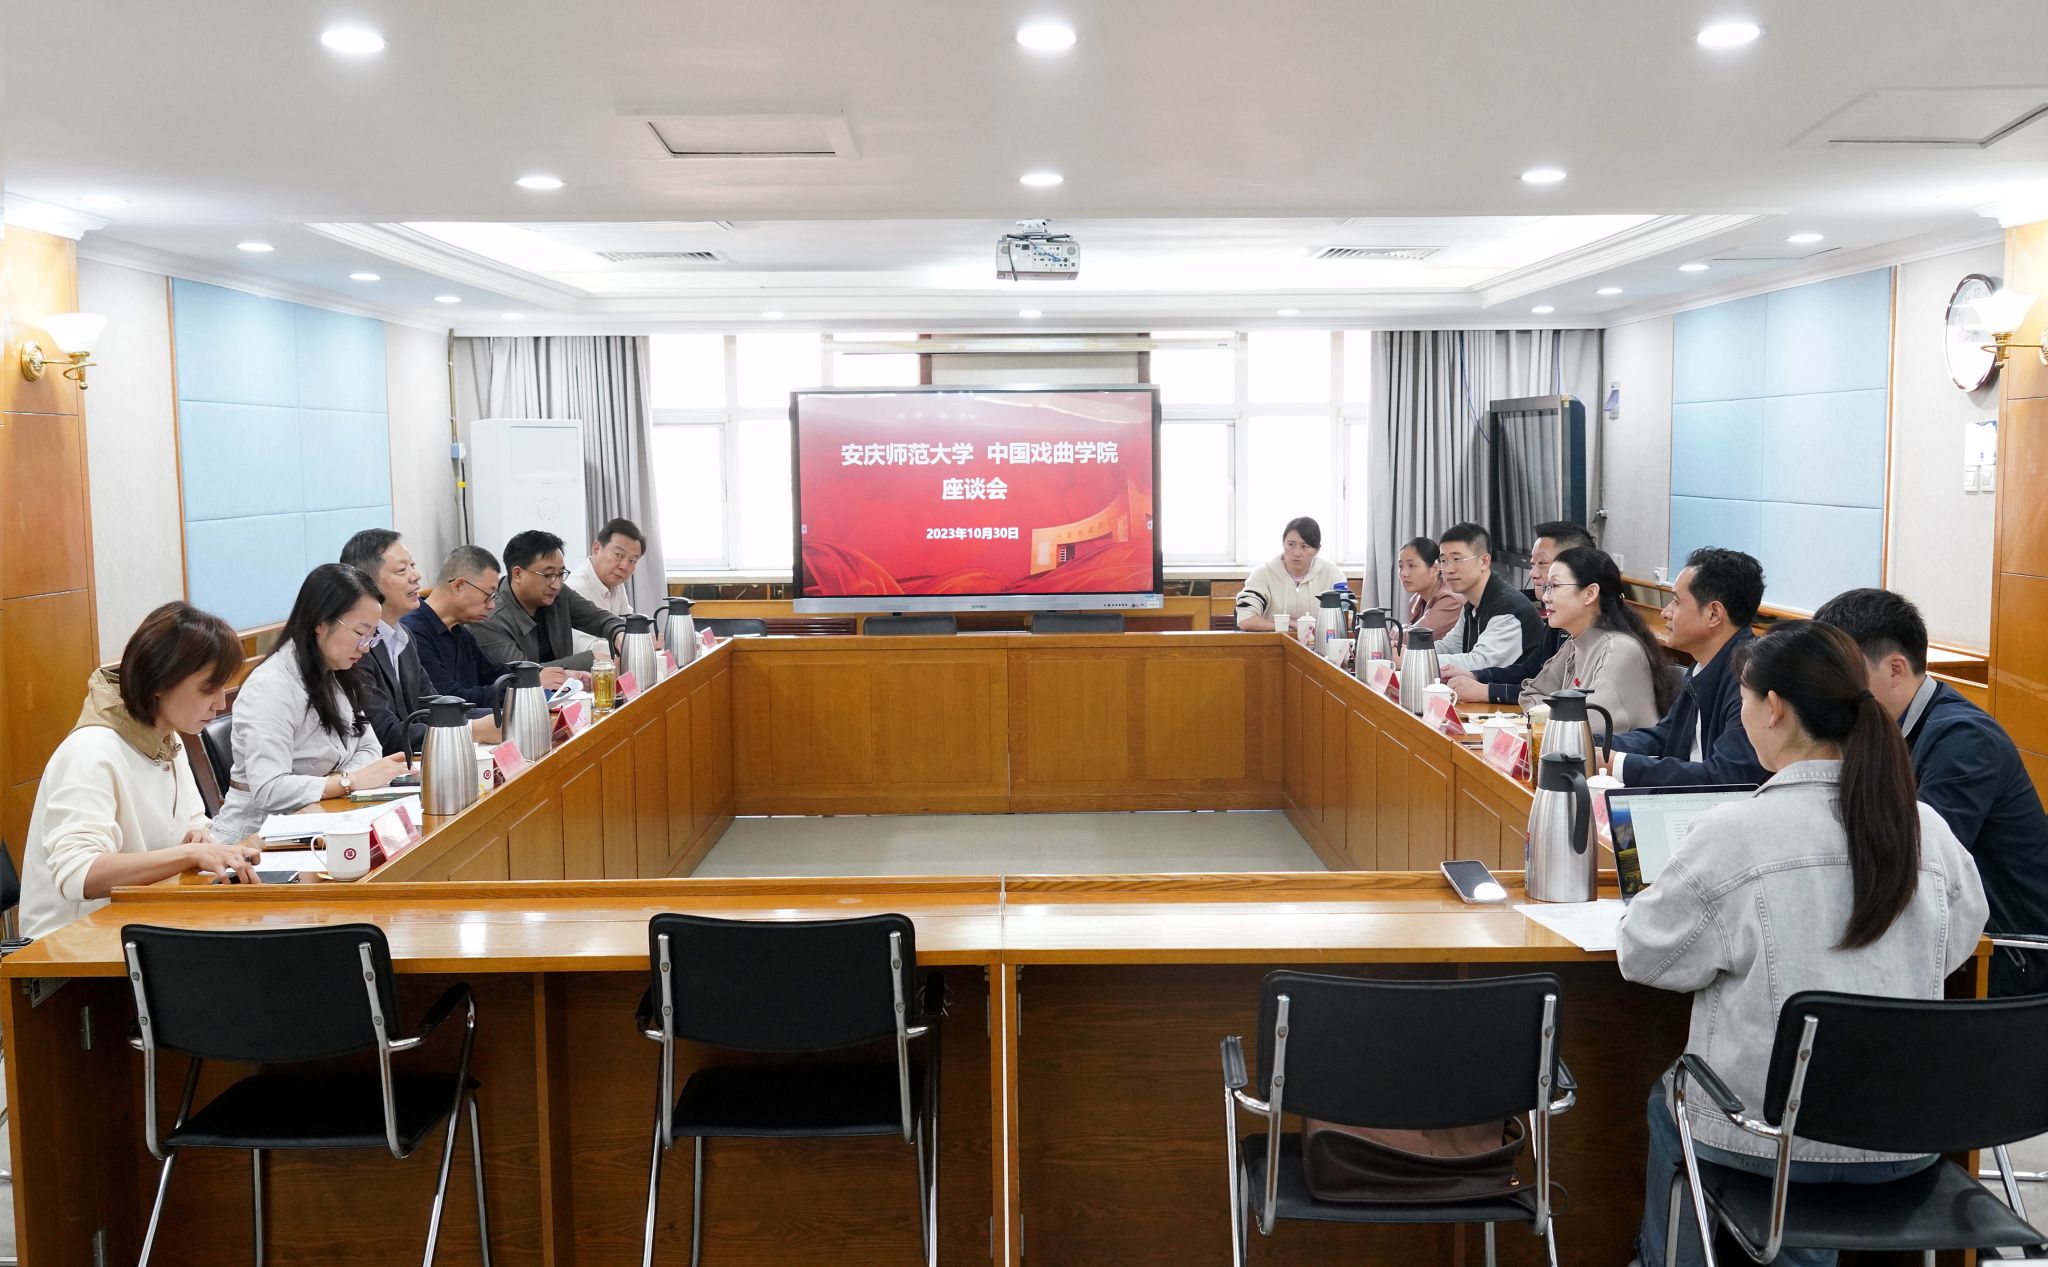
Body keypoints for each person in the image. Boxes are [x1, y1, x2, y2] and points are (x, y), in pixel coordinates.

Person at [1617, 621, 1987, 1267]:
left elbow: (1643, 955)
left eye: (1743, 701)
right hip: (1905, 1140)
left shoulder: (1734, 831)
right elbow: (1959, 937)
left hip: (1768, 1142)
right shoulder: (1922, 825)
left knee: (1670, 1098)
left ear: (1774, 707)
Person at [1815, 587, 2048, 996]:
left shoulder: (1964, 740)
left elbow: (1914, 862)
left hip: (2011, 956)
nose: (1831, 691)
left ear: (1895, 669)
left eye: (1843, 675)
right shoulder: (1885, 727)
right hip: (1952, 936)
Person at [19, 602, 260, 938]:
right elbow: (80, 875)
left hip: (143, 921)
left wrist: (199, 836)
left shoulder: (167, 737)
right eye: (209, 688)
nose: (221, 703)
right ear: (160, 680)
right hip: (73, 944)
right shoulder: (90, 752)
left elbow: (192, 823)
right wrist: (190, 853)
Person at [212, 565, 409, 841]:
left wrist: (340, 781)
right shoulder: (270, 687)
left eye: (372, 636)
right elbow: (269, 789)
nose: (365, 647)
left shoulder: (337, 672)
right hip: (255, 839)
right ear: (321, 623)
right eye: (360, 632)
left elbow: (370, 748)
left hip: (321, 820)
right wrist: (347, 782)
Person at [1607, 547, 1769, 787]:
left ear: (1713, 614)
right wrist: (1593, 744)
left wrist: (1618, 764)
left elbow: (1727, 777)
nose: (1665, 612)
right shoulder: (1705, 663)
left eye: (1676, 601)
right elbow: (1665, 736)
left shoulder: (1749, 679)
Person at [340, 528, 499, 754]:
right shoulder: (357, 646)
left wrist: (501, 716)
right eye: (402, 570)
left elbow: (433, 706)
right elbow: (384, 734)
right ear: (367, 583)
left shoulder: (404, 636)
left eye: (412, 566)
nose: (416, 576)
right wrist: (471, 730)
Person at [1507, 546, 1672, 730]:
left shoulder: (1620, 650)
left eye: (1554, 586)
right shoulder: (1575, 643)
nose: (1545, 597)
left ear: (1590, 594)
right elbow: (1531, 694)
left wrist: (1547, 714)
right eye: (1547, 588)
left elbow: (1589, 723)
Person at [1442, 520, 1592, 702]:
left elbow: (1558, 695)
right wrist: (1476, 676)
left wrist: (1487, 691)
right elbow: (1531, 673)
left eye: (1542, 563)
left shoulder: (1604, 639)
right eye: (1532, 564)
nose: (1533, 573)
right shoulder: (1558, 624)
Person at [404, 546, 570, 706]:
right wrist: (526, 685)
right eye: (488, 595)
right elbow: (450, 700)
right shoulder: (413, 634)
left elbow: (494, 673)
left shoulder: (459, 631)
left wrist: (545, 676)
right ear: (459, 586)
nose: (492, 605)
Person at [475, 529, 627, 672]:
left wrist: (619, 634)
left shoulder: (558, 595)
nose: (556, 584)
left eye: (560, 574)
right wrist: (591, 659)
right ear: (517, 574)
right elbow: (521, 674)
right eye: (548, 575)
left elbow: (599, 619)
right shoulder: (490, 619)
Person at [1433, 523, 1542, 672]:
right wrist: (1410, 653)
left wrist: (1417, 660)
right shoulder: (1472, 603)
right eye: (1443, 561)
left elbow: (1479, 663)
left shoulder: (1508, 608)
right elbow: (1451, 646)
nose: (1448, 569)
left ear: (1484, 562)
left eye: (1457, 559)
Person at [1235, 517, 1347, 632]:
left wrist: (1306, 628)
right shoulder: (1263, 574)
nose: (1297, 553)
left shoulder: (1332, 574)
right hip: (1274, 642)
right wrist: (1290, 624)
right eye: (1291, 544)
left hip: (1320, 641)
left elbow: (1346, 620)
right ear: (1283, 543)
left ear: (1317, 550)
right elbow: (1245, 619)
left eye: (1305, 546)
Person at [567, 518, 651, 656]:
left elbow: (627, 623)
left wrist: (643, 639)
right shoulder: (575, 588)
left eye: (632, 561)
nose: (624, 566)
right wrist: (635, 643)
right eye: (618, 555)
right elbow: (586, 648)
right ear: (596, 549)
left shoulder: (615, 582)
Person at [1397, 537, 1463, 641]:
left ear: (1435, 569)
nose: (1404, 573)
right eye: (1400, 566)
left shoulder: (1450, 600)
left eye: (1411, 565)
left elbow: (1414, 638)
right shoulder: (1415, 600)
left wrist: (1398, 630)